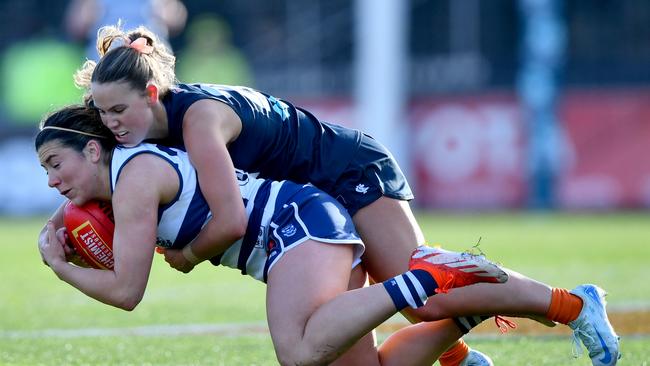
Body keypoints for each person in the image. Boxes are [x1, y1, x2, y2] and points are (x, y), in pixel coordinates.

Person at [65, 24, 620, 365]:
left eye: (118, 110)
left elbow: (230, 219)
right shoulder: (158, 127)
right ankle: (455, 355)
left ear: (154, 93)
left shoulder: (198, 123)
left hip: (347, 172)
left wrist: (185, 256)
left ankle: (574, 305)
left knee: (424, 292)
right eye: (103, 114)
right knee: (383, 310)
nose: (111, 125)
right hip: (315, 198)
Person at [36, 105, 510, 365]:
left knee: (299, 353)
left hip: (296, 227)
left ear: (94, 150)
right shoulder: (116, 175)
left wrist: (60, 267)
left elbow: (126, 292)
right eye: (45, 171)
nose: (53, 181)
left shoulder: (134, 181)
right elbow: (72, 206)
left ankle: (425, 277)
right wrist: (56, 228)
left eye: (56, 165)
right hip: (304, 225)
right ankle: (461, 319)